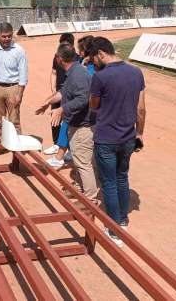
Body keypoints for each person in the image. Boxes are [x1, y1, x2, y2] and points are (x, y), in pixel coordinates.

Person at [89, 36, 146, 247]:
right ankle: (123, 218)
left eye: (95, 58)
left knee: (109, 182)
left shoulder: (100, 77)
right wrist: (139, 133)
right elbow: (141, 109)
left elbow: (94, 105)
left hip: (106, 137)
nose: (94, 62)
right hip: (128, 137)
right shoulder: (136, 72)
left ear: (101, 53)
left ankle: (113, 227)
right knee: (122, 177)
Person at [36, 44, 98, 202]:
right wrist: (49, 102)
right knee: (78, 158)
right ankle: (79, 187)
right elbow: (64, 92)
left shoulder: (78, 74)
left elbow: (83, 99)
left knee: (83, 163)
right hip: (75, 124)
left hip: (83, 126)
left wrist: (62, 109)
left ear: (59, 58)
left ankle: (90, 200)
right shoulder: (73, 72)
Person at [0, 22, 28, 140]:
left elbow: (23, 74)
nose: (7, 39)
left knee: (14, 119)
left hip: (13, 88)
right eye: (4, 36)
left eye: (9, 36)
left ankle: (16, 143)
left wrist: (19, 94)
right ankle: (2, 140)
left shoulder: (19, 50)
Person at [45, 32, 75, 155]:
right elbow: (53, 73)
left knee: (70, 120)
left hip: (71, 93)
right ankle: (56, 144)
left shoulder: (77, 58)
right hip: (58, 93)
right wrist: (53, 89)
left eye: (66, 45)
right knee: (54, 118)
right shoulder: (56, 57)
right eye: (61, 45)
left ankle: (69, 149)